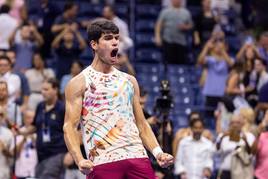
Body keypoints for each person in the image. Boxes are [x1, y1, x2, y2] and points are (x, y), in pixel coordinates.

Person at [63, 19, 173, 178]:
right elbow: (69, 127)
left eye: (116, 38)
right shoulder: (79, 83)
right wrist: (79, 159)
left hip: (137, 157)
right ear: (94, 45)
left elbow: (141, 124)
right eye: (108, 38)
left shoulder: (129, 81)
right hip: (103, 161)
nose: (115, 42)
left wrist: (158, 153)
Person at [19, 78, 67, 179]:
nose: (43, 92)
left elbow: (73, 130)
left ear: (55, 90)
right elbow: (35, 126)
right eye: (42, 89)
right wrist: (22, 132)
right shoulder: (40, 106)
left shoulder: (62, 108)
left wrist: (71, 154)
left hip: (57, 153)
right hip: (40, 155)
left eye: (46, 89)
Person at [155, 0, 193, 65]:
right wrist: (157, 37)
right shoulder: (165, 11)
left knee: (180, 63)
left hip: (181, 42)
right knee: (167, 62)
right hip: (168, 41)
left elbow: (191, 25)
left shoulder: (186, 12)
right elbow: (158, 25)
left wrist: (185, 27)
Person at [103, 5, 135, 76]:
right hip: (106, 51)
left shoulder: (121, 24)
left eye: (105, 12)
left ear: (111, 12)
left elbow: (128, 42)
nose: (103, 13)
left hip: (119, 51)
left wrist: (119, 39)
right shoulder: (102, 23)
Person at [15, 110, 38, 179]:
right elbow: (15, 153)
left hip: (35, 172)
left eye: (33, 118)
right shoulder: (19, 133)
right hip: (21, 172)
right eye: (28, 118)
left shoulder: (39, 133)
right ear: (24, 119)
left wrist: (34, 140)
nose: (31, 120)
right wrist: (24, 139)